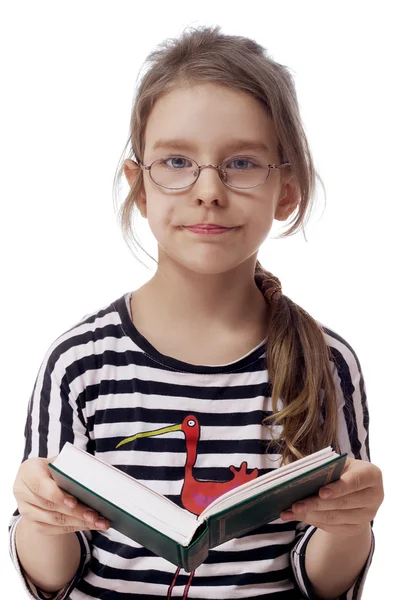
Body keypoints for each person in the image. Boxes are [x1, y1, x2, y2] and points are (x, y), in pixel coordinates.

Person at [8, 24, 384, 600]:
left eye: (241, 163)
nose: (208, 190)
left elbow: (325, 584)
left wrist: (352, 521)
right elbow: (52, 578)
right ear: (140, 187)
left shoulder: (326, 363)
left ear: (287, 188)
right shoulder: (79, 364)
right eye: (177, 161)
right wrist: (38, 516)